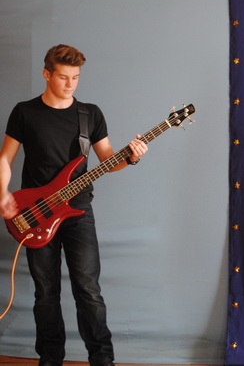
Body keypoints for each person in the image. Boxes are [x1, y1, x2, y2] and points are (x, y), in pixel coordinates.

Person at [0, 44, 148, 366]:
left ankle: (102, 359)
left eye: (76, 78)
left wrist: (131, 157)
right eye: (63, 77)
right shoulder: (24, 112)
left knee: (88, 290)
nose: (70, 84)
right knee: (46, 293)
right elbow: (5, 159)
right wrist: (2, 194)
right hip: (35, 214)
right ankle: (50, 359)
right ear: (46, 74)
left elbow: (108, 161)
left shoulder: (89, 114)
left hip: (78, 212)